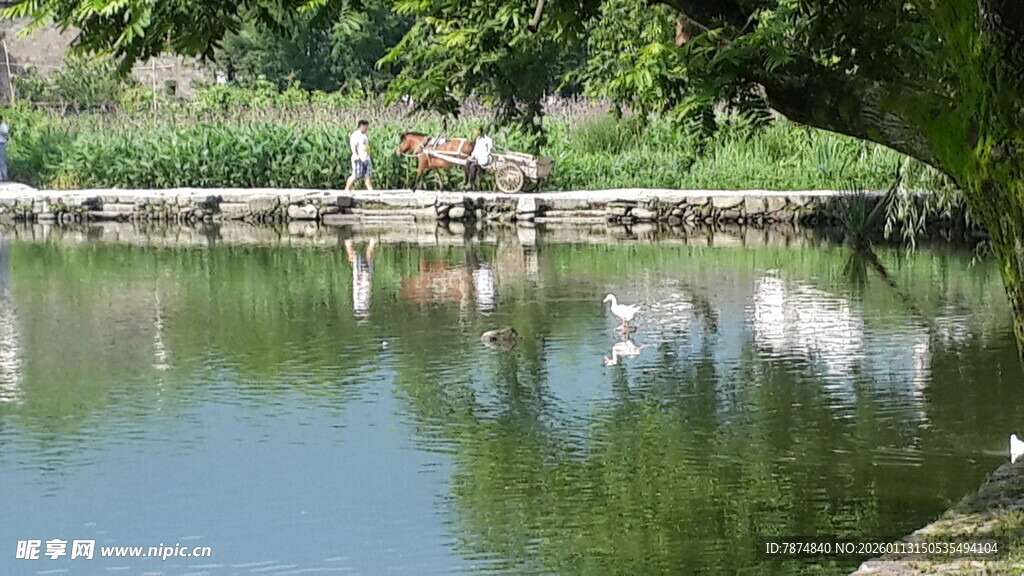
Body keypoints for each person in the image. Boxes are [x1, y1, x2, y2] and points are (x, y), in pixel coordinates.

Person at [345, 237, 376, 321]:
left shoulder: (358, 305)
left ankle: (348, 245)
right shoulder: (363, 305)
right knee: (367, 260)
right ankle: (371, 244)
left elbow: (367, 293)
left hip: (361, 281)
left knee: (356, 261)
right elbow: (368, 293)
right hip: (364, 281)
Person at [345, 119, 373, 191]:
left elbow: (366, 146)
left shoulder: (364, 135)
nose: (367, 129)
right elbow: (353, 146)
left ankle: (370, 190)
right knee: (355, 175)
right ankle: (347, 189)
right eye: (366, 127)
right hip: (358, 158)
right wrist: (355, 154)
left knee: (367, 175)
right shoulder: (355, 135)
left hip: (366, 157)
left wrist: (368, 154)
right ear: (362, 126)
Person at [0, 116, 9, 182]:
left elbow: (5, 133)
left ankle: (5, 175)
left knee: (2, 160)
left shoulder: (4, 126)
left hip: (1, 144)